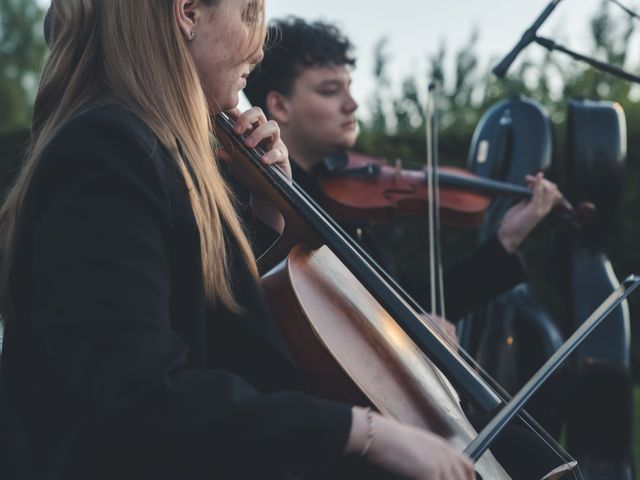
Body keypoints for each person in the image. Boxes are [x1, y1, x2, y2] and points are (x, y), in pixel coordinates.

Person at [0, 1, 480, 480]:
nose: (259, 46)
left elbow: (214, 331)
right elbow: (141, 395)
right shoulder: (109, 149)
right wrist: (364, 431)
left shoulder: (156, 151)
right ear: (187, 12)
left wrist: (270, 209)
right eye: (249, 12)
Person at [243, 17, 565, 321]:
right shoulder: (261, 204)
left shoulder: (350, 194)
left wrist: (507, 237)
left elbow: (412, 307)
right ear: (280, 106)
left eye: (350, 86)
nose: (352, 103)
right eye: (330, 90)